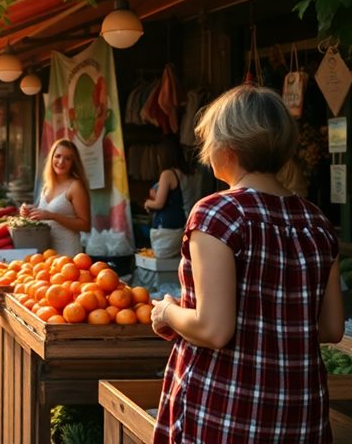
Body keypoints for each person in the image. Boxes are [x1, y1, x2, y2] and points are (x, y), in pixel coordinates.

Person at [150, 86, 344, 443]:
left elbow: (213, 329)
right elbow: (331, 328)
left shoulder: (219, 213)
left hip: (228, 410)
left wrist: (167, 312)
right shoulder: (317, 222)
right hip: (301, 414)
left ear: (228, 147)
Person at [20, 139, 91, 255]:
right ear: (51, 158)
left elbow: (85, 225)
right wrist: (29, 211)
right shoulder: (47, 185)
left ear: (73, 162)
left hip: (68, 254)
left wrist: (52, 216)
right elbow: (44, 214)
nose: (61, 162)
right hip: (46, 254)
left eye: (68, 158)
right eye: (58, 156)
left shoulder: (75, 186)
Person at [144, 139, 192, 258]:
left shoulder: (167, 174)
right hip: (184, 224)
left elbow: (159, 203)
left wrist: (147, 203)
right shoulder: (189, 173)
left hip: (167, 228)